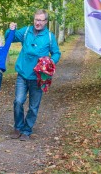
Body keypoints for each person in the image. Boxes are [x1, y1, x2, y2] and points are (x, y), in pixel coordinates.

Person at [5, 9, 61, 141]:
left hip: (38, 77)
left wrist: (51, 61)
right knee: (18, 101)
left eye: (41, 20)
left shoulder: (49, 37)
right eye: (36, 19)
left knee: (33, 107)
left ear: (46, 21)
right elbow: (10, 37)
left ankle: (26, 130)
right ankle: (18, 127)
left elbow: (56, 53)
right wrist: (10, 29)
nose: (38, 22)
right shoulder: (26, 31)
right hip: (23, 74)